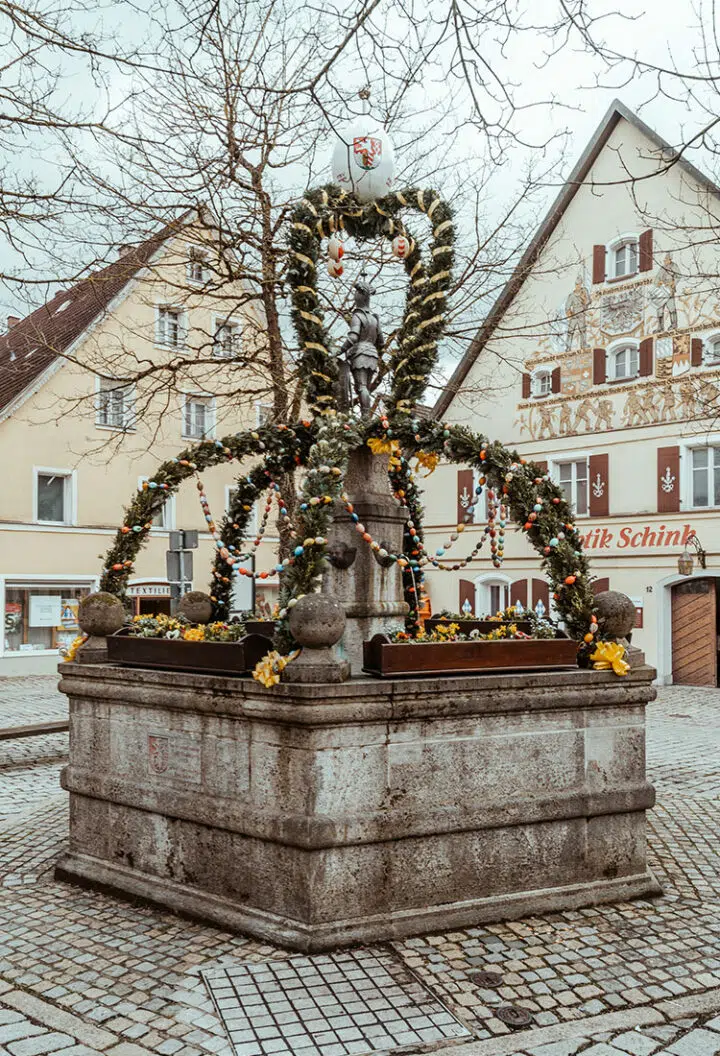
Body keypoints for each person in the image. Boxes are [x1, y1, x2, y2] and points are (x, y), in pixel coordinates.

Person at [341, 273, 384, 415]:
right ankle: (365, 415)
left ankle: (365, 417)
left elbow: (353, 336)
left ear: (361, 296)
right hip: (372, 355)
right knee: (365, 387)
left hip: (359, 354)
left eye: (356, 293)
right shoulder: (375, 318)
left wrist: (340, 350)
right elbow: (381, 342)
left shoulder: (357, 316)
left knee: (361, 387)